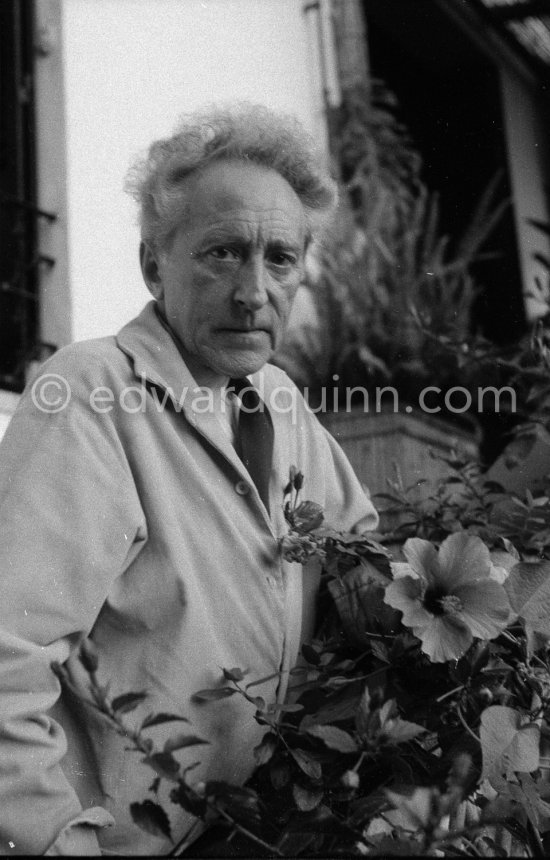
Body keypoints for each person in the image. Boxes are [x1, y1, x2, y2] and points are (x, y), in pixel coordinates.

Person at [0, 104, 377, 855]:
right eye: (221, 253)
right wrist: (57, 844)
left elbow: (365, 572)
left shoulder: (280, 400)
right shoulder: (91, 391)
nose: (252, 291)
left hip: (252, 831)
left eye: (279, 259)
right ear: (153, 264)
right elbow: (6, 654)